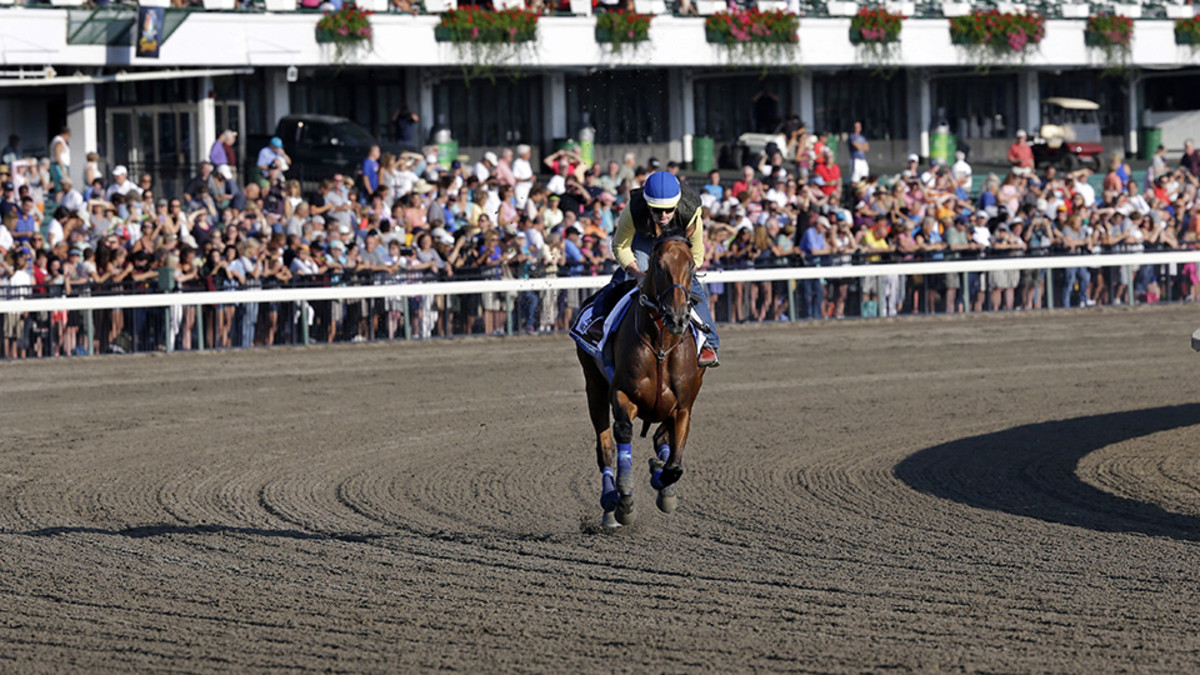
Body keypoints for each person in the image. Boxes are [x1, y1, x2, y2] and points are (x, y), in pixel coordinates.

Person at [605, 171, 719, 367]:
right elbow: (620, 246)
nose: (663, 216)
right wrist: (637, 274)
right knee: (626, 277)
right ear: (648, 204)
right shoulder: (634, 208)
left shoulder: (691, 211)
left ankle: (710, 344)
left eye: (669, 210)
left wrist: (682, 273)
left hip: (678, 242)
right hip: (644, 238)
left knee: (693, 286)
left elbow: (698, 252)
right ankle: (599, 321)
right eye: (657, 210)